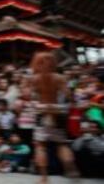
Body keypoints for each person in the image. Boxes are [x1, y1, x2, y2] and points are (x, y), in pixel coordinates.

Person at [30, 52, 79, 184]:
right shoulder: (59, 78)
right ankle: (71, 169)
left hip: (42, 111)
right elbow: (69, 96)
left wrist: (39, 105)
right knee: (61, 144)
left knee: (40, 146)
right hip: (57, 112)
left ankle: (44, 177)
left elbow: (29, 96)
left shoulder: (34, 79)